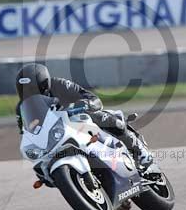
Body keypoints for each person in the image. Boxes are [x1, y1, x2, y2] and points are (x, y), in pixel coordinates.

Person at [14, 63, 153, 169]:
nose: (30, 94)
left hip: (80, 120)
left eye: (33, 89)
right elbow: (27, 134)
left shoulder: (60, 85)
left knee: (102, 117)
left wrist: (81, 105)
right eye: (24, 90)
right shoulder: (22, 109)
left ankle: (138, 149)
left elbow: (93, 99)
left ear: (44, 84)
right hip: (58, 137)